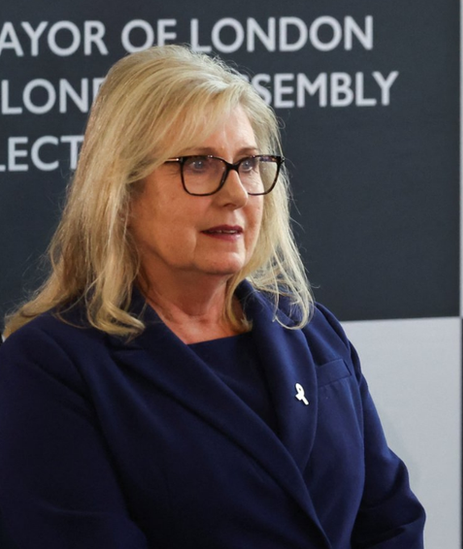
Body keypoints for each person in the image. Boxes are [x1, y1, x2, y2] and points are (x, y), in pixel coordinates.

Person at [0, 45, 425, 549]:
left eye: (247, 164)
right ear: (122, 192)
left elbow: (391, 520)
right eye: (198, 164)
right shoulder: (49, 366)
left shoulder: (310, 329)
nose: (237, 194)